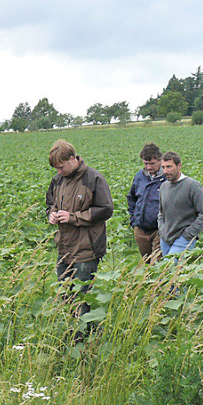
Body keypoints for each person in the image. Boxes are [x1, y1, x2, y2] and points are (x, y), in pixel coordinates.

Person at [45, 140, 113, 338]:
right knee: (66, 295)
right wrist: (52, 213)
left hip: (87, 249)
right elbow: (50, 202)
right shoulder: (57, 181)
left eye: (61, 166)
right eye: (56, 168)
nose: (59, 171)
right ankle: (78, 333)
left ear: (73, 159)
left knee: (83, 297)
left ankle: (86, 338)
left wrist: (74, 217)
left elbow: (106, 209)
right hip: (64, 247)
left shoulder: (93, 179)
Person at [158, 151, 203, 257]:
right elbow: (161, 212)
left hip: (183, 239)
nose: (165, 171)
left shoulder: (192, 186)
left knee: (168, 267)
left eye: (169, 167)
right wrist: (161, 229)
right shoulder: (163, 186)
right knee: (167, 272)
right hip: (165, 239)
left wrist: (188, 235)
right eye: (163, 167)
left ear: (179, 166)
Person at [127, 143, 165, 263]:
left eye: (152, 163)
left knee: (157, 264)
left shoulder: (167, 178)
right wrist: (134, 221)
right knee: (147, 262)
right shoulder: (139, 176)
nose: (149, 167)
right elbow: (131, 198)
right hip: (141, 229)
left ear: (160, 160)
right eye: (146, 164)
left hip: (159, 230)